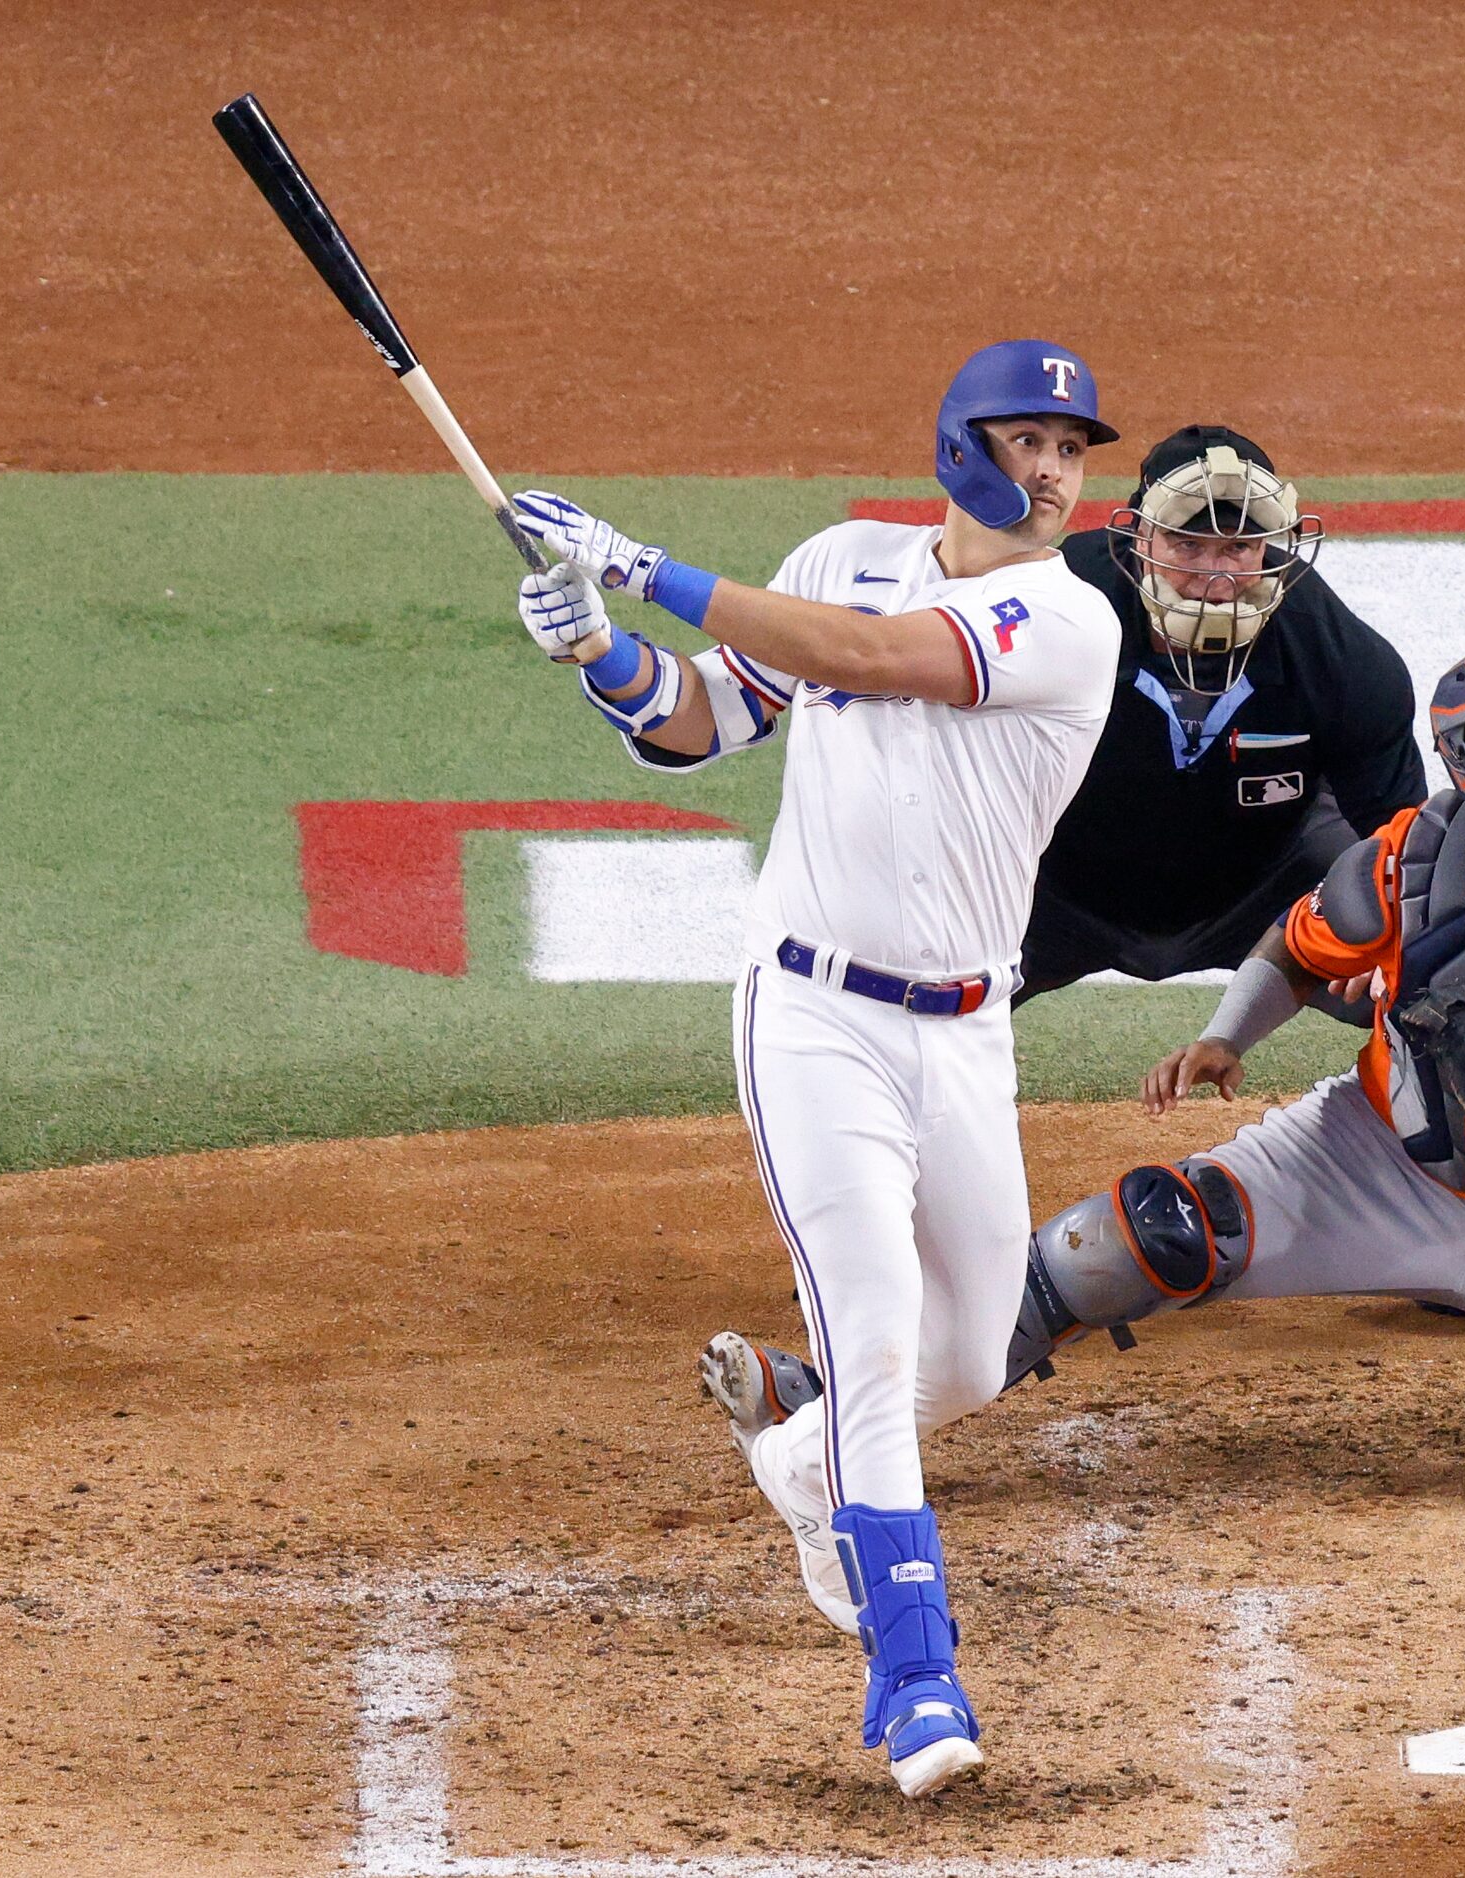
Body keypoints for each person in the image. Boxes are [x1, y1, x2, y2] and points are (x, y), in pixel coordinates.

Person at [503, 339, 1124, 1796]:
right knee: (872, 1333)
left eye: (1071, 449)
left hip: (966, 1030)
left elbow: (870, 662)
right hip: (810, 1017)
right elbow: (703, 718)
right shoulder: (835, 559)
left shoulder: (1067, 616)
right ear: (959, 443)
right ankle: (915, 1675)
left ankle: (802, 1469)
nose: (1052, 471)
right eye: (1027, 439)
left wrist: (640, 561)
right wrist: (595, 645)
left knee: (975, 1352)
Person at [1004, 630, 1465, 1499]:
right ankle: (872, 1393)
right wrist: (1226, 1037)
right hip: (1370, 1162)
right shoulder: (1411, 863)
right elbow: (1296, 950)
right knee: (1129, 1241)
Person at [1016, 425, 1426, 1004]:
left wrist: (1399, 940)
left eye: (1239, 547)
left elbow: (1402, 836)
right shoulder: (1051, 607)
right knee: (919, 974)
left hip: (1267, 893)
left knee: (1431, 972)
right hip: (1056, 890)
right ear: (1140, 540)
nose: (1218, 579)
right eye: (1188, 545)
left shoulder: (1340, 656)